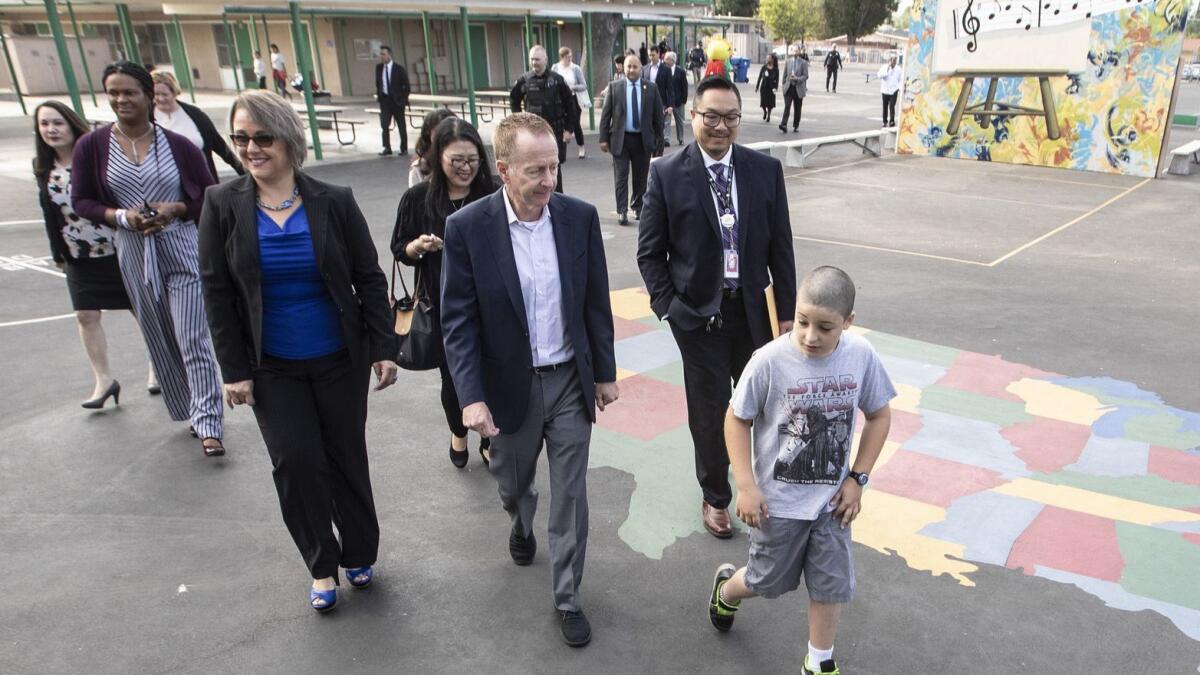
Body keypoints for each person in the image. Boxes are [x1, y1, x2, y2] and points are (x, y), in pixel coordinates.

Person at [198, 90, 398, 613]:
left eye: (262, 137)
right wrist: (234, 370)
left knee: (344, 457)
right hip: (271, 366)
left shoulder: (334, 200)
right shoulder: (221, 205)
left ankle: (358, 551)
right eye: (240, 137)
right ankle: (320, 564)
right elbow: (216, 293)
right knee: (295, 462)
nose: (250, 147)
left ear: (288, 140)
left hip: (339, 358)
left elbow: (368, 278)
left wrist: (383, 346)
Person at [440, 112, 618, 647]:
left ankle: (567, 598)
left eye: (554, 167)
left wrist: (605, 374)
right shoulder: (467, 229)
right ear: (502, 170)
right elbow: (458, 322)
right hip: (507, 387)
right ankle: (520, 523)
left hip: (567, 382)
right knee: (514, 485)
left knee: (571, 496)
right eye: (535, 170)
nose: (549, 181)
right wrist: (470, 398)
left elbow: (594, 302)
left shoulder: (578, 218)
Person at [708, 266, 896, 675]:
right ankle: (727, 589)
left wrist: (857, 477)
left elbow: (880, 415)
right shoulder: (770, 361)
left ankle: (819, 662)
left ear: (848, 323)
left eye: (825, 327)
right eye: (804, 322)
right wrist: (745, 485)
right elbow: (735, 418)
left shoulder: (860, 356)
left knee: (831, 587)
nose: (811, 336)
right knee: (765, 581)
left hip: (831, 506)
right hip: (777, 505)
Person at [636, 76, 797, 539]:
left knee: (764, 408)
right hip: (698, 318)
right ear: (693, 116)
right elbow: (650, 253)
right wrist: (672, 309)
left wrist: (785, 314)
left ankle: (764, 488)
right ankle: (716, 497)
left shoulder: (764, 171)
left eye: (730, 118)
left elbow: (780, 247)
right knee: (708, 413)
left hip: (753, 313)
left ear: (739, 121)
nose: (720, 127)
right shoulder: (666, 173)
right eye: (711, 117)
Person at [71, 61, 225, 456]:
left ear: (147, 96)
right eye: (113, 93)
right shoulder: (92, 146)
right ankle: (189, 407)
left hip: (181, 248)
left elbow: (210, 194)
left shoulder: (178, 146)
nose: (121, 99)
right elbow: (83, 200)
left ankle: (209, 421)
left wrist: (175, 209)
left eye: (129, 92)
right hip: (134, 251)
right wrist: (121, 216)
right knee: (160, 333)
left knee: (193, 335)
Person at [390, 118, 495, 468]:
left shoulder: (492, 192)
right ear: (438, 159)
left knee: (492, 371)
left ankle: (487, 435)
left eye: (472, 159)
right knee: (453, 379)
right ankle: (459, 432)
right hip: (442, 306)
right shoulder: (419, 198)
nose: (465, 168)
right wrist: (417, 247)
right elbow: (398, 249)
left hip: (491, 302)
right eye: (456, 161)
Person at [34, 100, 152, 408]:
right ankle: (103, 380)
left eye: (57, 122)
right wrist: (57, 253)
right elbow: (51, 215)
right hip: (78, 254)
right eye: (44, 124)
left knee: (140, 309)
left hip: (117, 247)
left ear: (72, 124)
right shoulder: (44, 168)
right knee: (85, 315)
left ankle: (158, 364)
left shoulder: (96, 157)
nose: (51, 129)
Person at [599, 55, 664, 227]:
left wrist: (659, 141)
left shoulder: (651, 88)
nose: (631, 70)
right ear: (623, 68)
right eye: (628, 66)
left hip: (643, 140)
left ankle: (638, 207)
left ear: (641, 68)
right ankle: (622, 210)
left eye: (635, 67)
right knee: (621, 176)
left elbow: (658, 117)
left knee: (640, 177)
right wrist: (603, 138)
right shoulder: (614, 87)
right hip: (620, 139)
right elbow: (606, 115)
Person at [152, 71, 243, 181]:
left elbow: (220, 147)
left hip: (201, 180)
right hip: (168, 184)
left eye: (165, 94)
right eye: (156, 94)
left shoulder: (195, 114)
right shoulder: (146, 118)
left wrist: (244, 172)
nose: (160, 99)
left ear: (175, 93)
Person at [510, 45, 575, 192]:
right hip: (532, 134)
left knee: (554, 167)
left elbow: (570, 105)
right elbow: (514, 101)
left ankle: (558, 199)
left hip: (555, 132)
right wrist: (520, 122)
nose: (534, 62)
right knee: (534, 166)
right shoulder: (523, 81)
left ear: (545, 59)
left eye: (537, 59)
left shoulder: (557, 80)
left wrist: (569, 129)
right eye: (532, 59)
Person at [551, 46, 590, 160]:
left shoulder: (575, 68)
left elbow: (584, 85)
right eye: (568, 57)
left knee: (575, 124)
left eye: (571, 56)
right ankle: (558, 150)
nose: (570, 58)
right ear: (562, 57)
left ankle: (581, 147)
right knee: (558, 124)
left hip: (572, 99)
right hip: (559, 100)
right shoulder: (555, 67)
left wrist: (572, 87)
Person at [375, 45, 411, 157]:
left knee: (401, 125)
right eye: (381, 54)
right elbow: (378, 83)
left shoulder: (399, 69)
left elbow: (407, 86)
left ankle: (404, 148)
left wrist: (403, 99)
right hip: (385, 101)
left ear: (389, 55)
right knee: (384, 124)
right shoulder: (379, 68)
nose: (382, 57)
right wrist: (380, 95)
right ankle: (387, 147)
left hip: (397, 101)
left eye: (384, 54)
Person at [408, 108, 456, 187]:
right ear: (428, 133)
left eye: (449, 132)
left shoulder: (467, 161)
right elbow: (414, 196)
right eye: (438, 131)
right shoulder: (418, 168)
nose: (445, 137)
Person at [662, 52, 690, 147]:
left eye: (667, 59)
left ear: (672, 60)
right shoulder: (664, 70)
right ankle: (666, 139)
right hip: (667, 100)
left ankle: (680, 138)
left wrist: (684, 99)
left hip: (678, 101)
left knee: (679, 121)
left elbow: (684, 86)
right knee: (667, 120)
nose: (665, 61)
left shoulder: (680, 71)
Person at [779, 46, 808, 133]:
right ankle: (783, 124)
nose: (795, 52)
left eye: (797, 51)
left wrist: (797, 79)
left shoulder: (803, 62)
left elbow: (806, 76)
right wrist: (784, 85)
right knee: (787, 106)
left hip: (798, 88)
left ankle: (796, 125)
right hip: (789, 87)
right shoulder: (788, 61)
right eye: (794, 50)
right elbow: (784, 75)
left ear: (799, 52)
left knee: (797, 108)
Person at [878, 56, 902, 128]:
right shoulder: (884, 67)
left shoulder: (898, 69)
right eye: (892, 61)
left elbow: (900, 79)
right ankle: (884, 121)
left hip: (894, 90)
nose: (893, 63)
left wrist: (900, 88)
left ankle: (892, 121)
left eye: (894, 61)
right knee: (885, 106)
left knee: (892, 106)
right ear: (889, 61)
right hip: (885, 90)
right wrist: (887, 69)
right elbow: (880, 75)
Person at [755, 53, 779, 123]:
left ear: (772, 59)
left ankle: (768, 115)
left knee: (770, 103)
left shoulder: (776, 69)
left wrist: (776, 88)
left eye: (768, 58)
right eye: (767, 58)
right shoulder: (764, 67)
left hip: (772, 88)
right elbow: (759, 77)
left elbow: (777, 80)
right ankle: (765, 111)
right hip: (764, 87)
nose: (767, 59)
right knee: (763, 103)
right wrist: (757, 87)